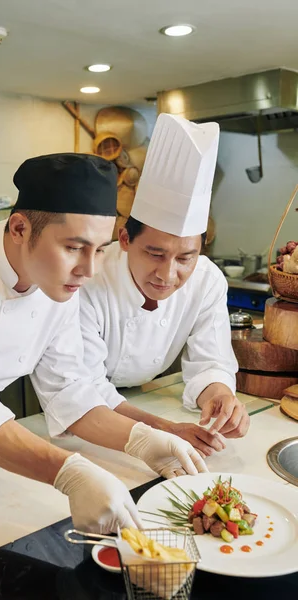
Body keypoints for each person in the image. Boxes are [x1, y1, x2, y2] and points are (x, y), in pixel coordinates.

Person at [0, 152, 206, 534]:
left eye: (98, 249)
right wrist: (68, 472)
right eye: (74, 247)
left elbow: (67, 390)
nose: (89, 270)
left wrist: (142, 440)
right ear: (19, 228)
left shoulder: (60, 284)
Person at [79, 114, 250, 460]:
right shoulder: (88, 278)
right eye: (155, 253)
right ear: (125, 239)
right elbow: (84, 390)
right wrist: (164, 430)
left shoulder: (206, 280)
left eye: (186, 257)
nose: (167, 274)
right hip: (83, 422)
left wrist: (219, 395)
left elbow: (210, 361)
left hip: (143, 401)